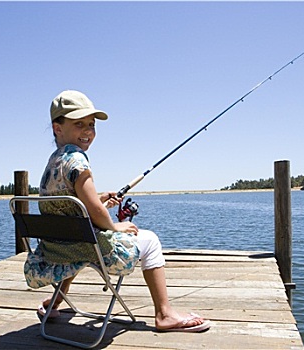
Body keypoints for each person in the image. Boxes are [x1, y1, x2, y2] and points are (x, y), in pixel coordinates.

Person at [36, 90, 210, 332]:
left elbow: (72, 206)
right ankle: (164, 314)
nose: (88, 131)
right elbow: (94, 209)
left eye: (91, 125)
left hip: (59, 248)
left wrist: (101, 199)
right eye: (79, 124)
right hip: (88, 248)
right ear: (58, 128)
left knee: (75, 237)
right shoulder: (78, 161)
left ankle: (55, 301)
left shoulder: (53, 163)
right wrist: (114, 225)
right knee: (151, 241)